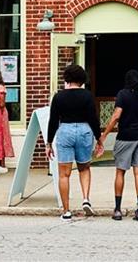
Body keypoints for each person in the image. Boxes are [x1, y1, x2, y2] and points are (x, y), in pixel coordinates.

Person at [97, 70, 138, 222]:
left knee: (120, 172)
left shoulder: (123, 95)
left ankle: (117, 210)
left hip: (126, 136)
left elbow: (116, 116)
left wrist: (104, 135)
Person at [46, 64, 101, 220]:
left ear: (67, 79)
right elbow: (93, 118)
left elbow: (53, 121)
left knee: (64, 174)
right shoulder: (87, 96)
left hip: (65, 131)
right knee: (84, 168)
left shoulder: (58, 97)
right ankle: (86, 199)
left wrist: (48, 143)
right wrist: (99, 139)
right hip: (84, 130)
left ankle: (66, 210)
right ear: (82, 80)